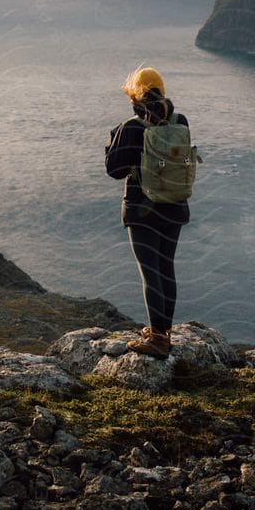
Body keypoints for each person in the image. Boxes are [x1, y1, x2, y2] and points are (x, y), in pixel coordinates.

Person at [104, 66, 189, 358]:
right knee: (166, 269)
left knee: (150, 272)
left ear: (135, 99)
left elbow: (114, 170)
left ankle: (158, 341)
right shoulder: (180, 121)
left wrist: (112, 142)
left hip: (142, 210)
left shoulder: (132, 127)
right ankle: (163, 332)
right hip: (175, 205)